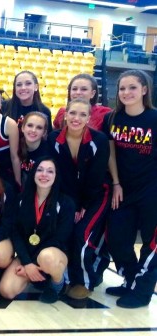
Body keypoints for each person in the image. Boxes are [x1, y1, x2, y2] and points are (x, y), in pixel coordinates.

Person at [103, 69, 157, 308]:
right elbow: (111, 153)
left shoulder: (154, 119)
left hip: (151, 191)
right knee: (117, 238)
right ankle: (130, 279)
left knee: (151, 244)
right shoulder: (112, 118)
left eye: (132, 87)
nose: (126, 92)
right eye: (122, 88)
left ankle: (142, 291)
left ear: (144, 90)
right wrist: (116, 182)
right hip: (123, 191)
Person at [48, 98, 111, 299]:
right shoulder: (54, 138)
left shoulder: (99, 140)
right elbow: (60, 175)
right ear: (65, 114)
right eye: (73, 113)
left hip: (95, 196)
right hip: (68, 197)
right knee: (65, 233)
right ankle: (65, 279)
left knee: (82, 236)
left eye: (82, 114)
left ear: (89, 118)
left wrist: (82, 205)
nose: (76, 118)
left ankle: (84, 281)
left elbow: (96, 177)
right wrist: (71, 206)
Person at [0, 157, 75, 303]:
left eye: (50, 171)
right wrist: (27, 263)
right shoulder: (22, 199)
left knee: (47, 257)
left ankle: (57, 283)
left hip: (53, 255)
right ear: (33, 173)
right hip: (27, 256)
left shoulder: (66, 203)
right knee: (6, 290)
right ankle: (34, 277)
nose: (44, 174)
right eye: (40, 170)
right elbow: (16, 233)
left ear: (56, 176)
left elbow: (60, 239)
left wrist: (32, 263)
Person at [18, 111, 50, 185]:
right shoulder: (15, 146)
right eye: (30, 125)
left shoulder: (48, 153)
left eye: (39, 127)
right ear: (22, 128)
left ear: (44, 133)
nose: (33, 130)